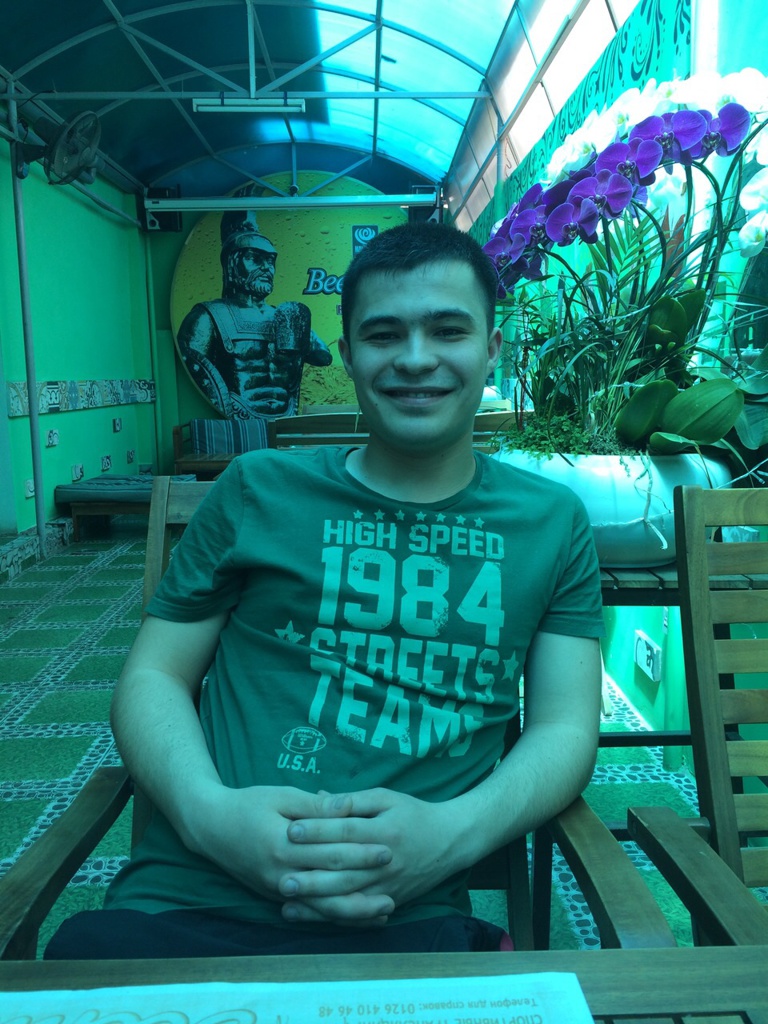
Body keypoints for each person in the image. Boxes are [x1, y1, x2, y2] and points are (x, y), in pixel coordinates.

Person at [45, 221, 604, 959]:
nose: (415, 358)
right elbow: (153, 676)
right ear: (346, 355)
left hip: (403, 924)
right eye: (383, 334)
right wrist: (210, 819)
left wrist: (452, 835)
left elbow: (565, 727)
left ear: (492, 347)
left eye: (448, 330)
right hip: (185, 903)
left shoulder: (550, 524)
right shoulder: (257, 489)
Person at [176, 207, 332, 419]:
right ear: (232, 263)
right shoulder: (208, 317)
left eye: (270, 260)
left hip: (286, 419)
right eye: (255, 258)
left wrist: (301, 335)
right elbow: (193, 371)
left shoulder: (284, 318)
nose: (267, 268)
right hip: (235, 420)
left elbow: (323, 357)